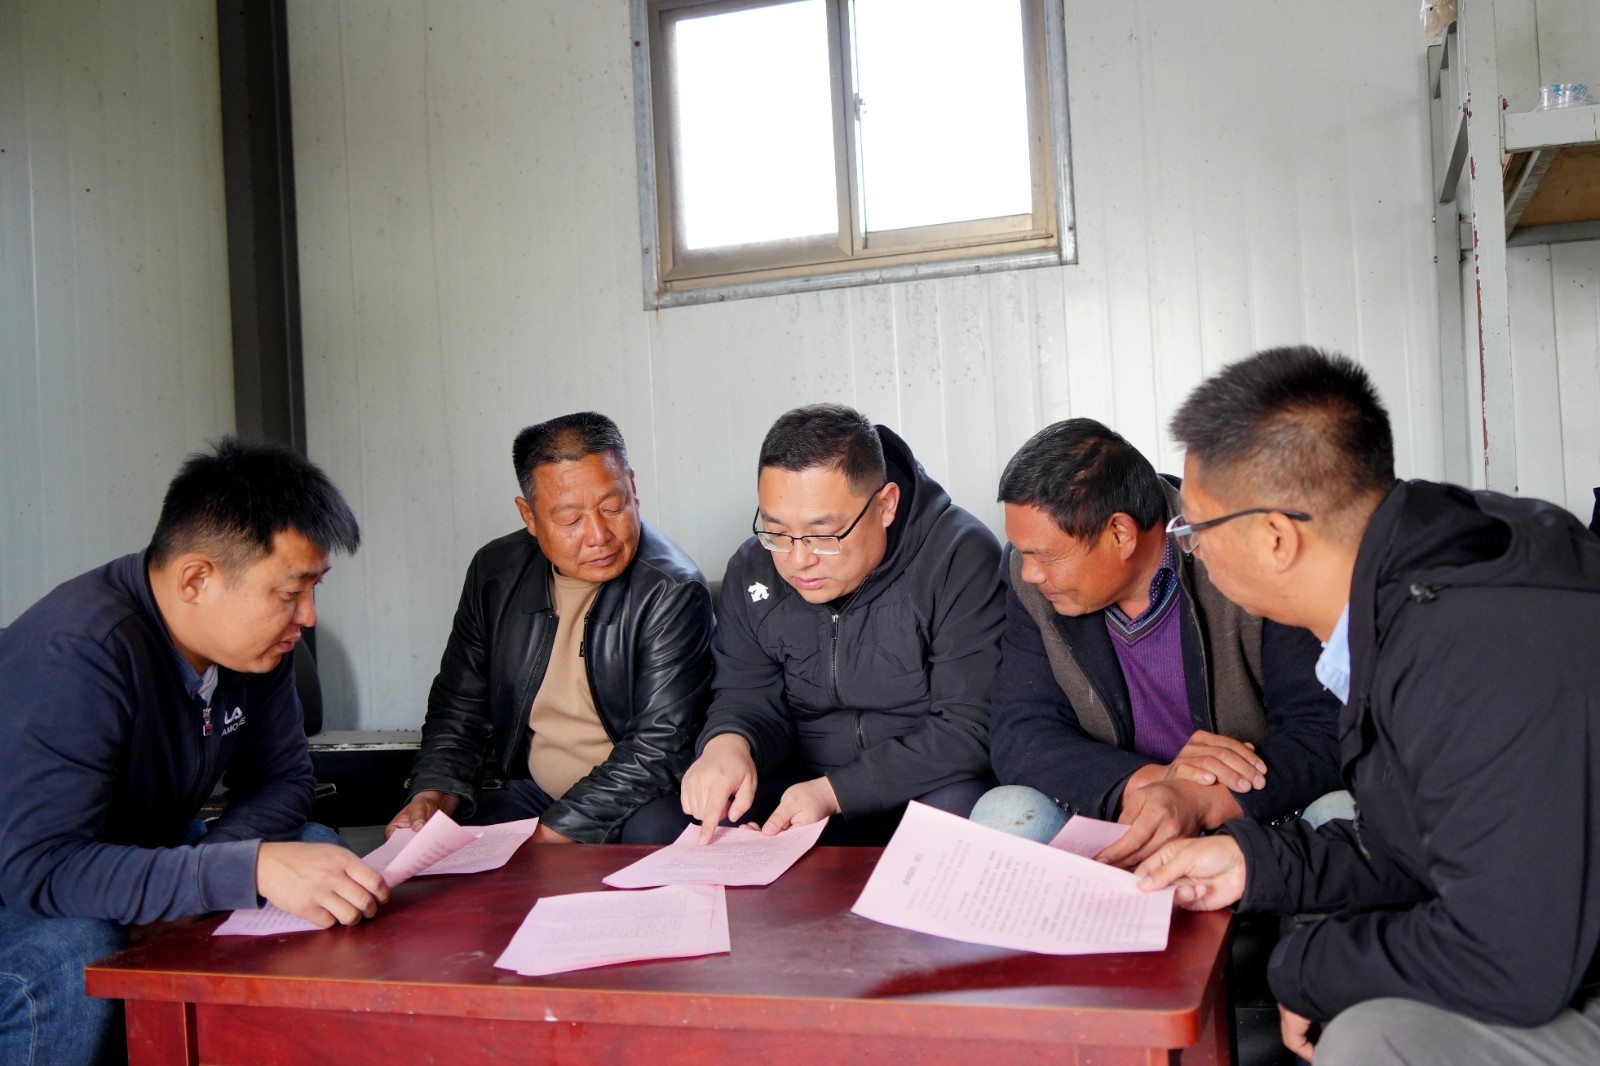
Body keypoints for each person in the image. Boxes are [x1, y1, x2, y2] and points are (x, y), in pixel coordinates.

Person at [1138, 346, 1600, 1065]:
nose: (1190, 551)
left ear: (1275, 538)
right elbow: (1420, 841)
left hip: (1552, 964)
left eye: (1193, 531)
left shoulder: (1470, 644)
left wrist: (1307, 968)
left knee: (1368, 1039)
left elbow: (1508, 958)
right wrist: (1252, 863)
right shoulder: (1418, 579)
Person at [0, 438, 386, 1066]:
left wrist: (208, 877)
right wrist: (241, 871)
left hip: (134, 846)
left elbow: (285, 779)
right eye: (289, 593)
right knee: (73, 948)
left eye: (314, 588)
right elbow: (39, 870)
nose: (309, 616)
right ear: (197, 579)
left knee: (319, 853)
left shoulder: (254, 647)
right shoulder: (76, 654)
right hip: (23, 887)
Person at [971, 419, 1342, 868]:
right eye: (1022, 551)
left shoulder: (1244, 551)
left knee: (1343, 814)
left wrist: (1201, 798)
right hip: (1123, 812)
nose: (1030, 572)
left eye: (1045, 555)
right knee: (1003, 812)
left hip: (1249, 812)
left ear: (1121, 533)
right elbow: (1021, 732)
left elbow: (1325, 727)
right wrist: (1151, 784)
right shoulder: (1033, 581)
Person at [680, 404, 1004, 845]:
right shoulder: (753, 569)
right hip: (798, 785)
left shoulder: (957, 557)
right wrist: (727, 744)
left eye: (823, 535)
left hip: (923, 783)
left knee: (959, 814)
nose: (798, 560)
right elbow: (744, 694)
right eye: (777, 531)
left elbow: (969, 726)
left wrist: (836, 793)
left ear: (886, 505)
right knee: (705, 820)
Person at [388, 413, 712, 846]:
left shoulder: (672, 588)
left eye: (613, 507)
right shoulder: (495, 573)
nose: (598, 535)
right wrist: (431, 794)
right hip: (534, 792)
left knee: (653, 832)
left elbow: (659, 748)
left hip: (637, 798)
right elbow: (459, 706)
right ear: (529, 515)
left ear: (633, 488)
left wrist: (551, 835)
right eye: (570, 519)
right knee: (435, 842)